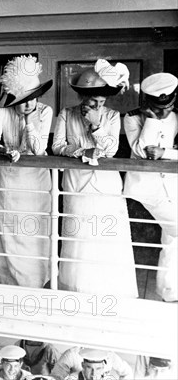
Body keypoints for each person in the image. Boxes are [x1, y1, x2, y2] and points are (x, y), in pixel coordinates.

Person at [51, 59, 138, 298]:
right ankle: (76, 291)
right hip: (76, 184)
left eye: (101, 101)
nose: (98, 104)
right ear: (82, 96)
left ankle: (107, 291)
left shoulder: (111, 116)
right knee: (79, 237)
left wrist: (96, 125)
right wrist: (79, 151)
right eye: (93, 101)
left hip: (106, 186)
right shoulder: (66, 114)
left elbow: (110, 150)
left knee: (106, 238)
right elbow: (58, 146)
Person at [0, 55, 53, 288]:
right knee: (11, 228)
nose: (28, 104)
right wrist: (2, 150)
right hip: (10, 178)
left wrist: (30, 121)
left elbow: (39, 148)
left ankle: (35, 281)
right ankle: (11, 280)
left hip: (36, 180)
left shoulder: (45, 112)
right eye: (22, 100)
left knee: (35, 229)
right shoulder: (1, 111)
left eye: (32, 98)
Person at [123, 72, 178, 302]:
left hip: (173, 184)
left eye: (169, 106)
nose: (166, 111)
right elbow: (140, 151)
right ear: (147, 101)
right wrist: (153, 120)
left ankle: (169, 291)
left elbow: (165, 153)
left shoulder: (177, 117)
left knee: (172, 237)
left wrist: (166, 153)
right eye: (159, 106)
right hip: (148, 188)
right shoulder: (132, 118)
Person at [50, 347, 132, 380]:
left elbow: (127, 372)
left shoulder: (110, 356)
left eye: (98, 368)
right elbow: (56, 377)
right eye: (89, 368)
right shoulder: (71, 355)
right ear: (83, 365)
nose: (94, 374)